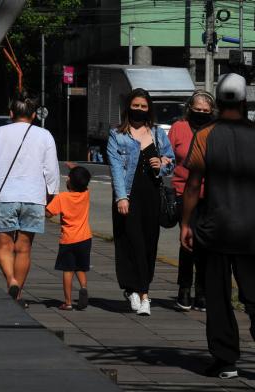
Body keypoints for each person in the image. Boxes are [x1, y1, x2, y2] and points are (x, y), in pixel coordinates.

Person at [181, 73, 255, 379]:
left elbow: (194, 183)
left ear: (217, 101)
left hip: (215, 229)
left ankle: (225, 360)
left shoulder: (205, 135)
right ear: (244, 100)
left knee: (218, 296)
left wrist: (186, 223)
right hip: (252, 232)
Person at [0, 90, 60, 305]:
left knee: (3, 246)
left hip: (5, 195)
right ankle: (18, 293)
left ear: (10, 113)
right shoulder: (45, 136)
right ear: (34, 115)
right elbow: (51, 170)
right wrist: (50, 194)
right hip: (34, 196)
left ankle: (11, 281)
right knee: (24, 248)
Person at [107, 88, 175, 316]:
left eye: (143, 106)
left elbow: (171, 159)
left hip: (152, 195)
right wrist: (121, 197)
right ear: (128, 107)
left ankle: (138, 287)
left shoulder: (157, 133)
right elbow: (116, 168)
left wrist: (163, 164)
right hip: (129, 195)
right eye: (135, 106)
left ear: (149, 109)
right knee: (130, 242)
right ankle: (141, 293)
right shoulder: (117, 134)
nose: (139, 110)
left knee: (149, 244)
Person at [168, 90, 215, 312]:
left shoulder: (214, 130)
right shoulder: (178, 128)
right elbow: (167, 156)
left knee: (204, 243)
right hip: (182, 191)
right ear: (189, 109)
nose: (201, 114)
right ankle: (185, 289)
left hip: (210, 194)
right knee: (188, 240)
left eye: (206, 111)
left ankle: (202, 290)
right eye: (197, 110)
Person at [46, 165, 92, 311]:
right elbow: (83, 181)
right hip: (85, 238)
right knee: (81, 267)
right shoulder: (86, 194)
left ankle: (68, 302)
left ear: (70, 182)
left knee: (68, 270)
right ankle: (83, 287)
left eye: (69, 177)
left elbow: (48, 213)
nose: (66, 178)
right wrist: (76, 169)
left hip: (68, 240)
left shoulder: (62, 198)